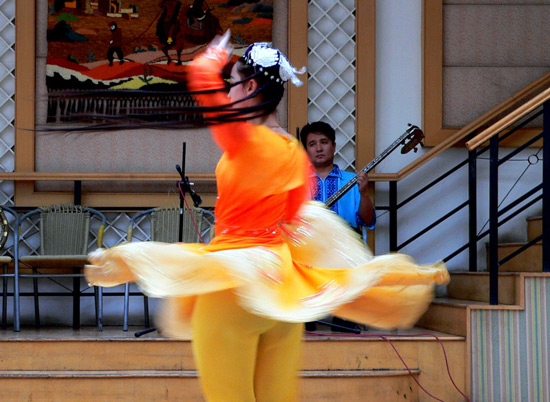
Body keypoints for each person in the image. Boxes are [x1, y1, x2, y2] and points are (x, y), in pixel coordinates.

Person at [85, 32, 449, 402]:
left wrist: (211, 57)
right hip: (280, 291)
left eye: (232, 85)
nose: (227, 93)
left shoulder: (246, 141)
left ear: (251, 86)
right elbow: (293, 217)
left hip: (234, 289)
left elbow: (201, 83)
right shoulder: (294, 152)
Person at [300, 120, 375, 233]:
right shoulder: (297, 183)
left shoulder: (352, 180)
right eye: (312, 144)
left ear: (334, 146)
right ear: (306, 151)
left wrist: (364, 193)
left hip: (346, 247)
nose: (319, 148)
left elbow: (368, 221)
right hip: (309, 249)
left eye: (324, 142)